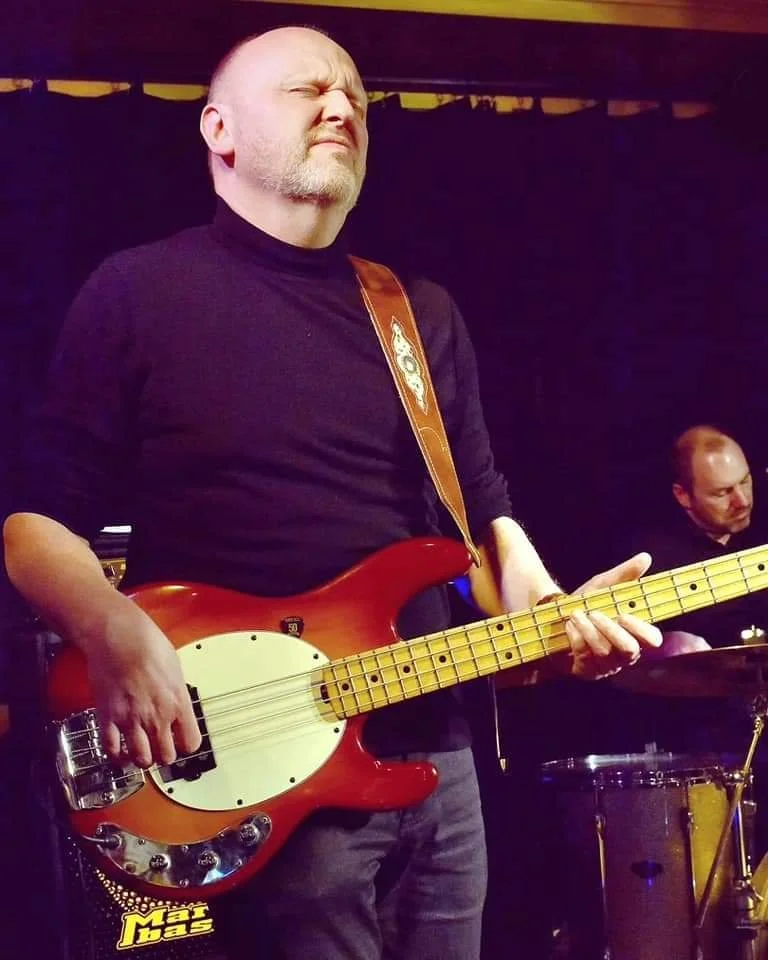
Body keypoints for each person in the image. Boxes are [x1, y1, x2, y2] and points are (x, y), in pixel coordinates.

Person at [2, 26, 662, 960]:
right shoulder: (137, 293)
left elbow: (482, 526)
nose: (343, 105)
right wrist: (116, 634)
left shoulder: (416, 311)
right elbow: (34, 528)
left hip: (437, 754)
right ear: (219, 130)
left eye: (355, 93)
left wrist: (553, 614)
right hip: (258, 760)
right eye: (309, 88)